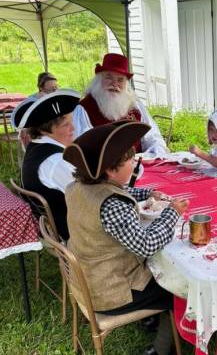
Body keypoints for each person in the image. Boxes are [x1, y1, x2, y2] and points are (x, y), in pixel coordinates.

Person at [63, 120, 189, 355]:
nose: (134, 163)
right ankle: (161, 350)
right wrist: (172, 213)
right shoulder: (112, 206)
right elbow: (146, 245)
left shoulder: (77, 186)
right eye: (130, 160)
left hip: (85, 278)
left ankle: (150, 320)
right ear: (111, 169)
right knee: (175, 285)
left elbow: (113, 190)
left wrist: (147, 192)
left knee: (164, 275)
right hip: (108, 291)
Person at [72, 53, 168, 155]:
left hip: (139, 166)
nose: (114, 84)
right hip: (102, 169)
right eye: (109, 77)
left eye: (120, 80)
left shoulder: (135, 106)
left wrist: (154, 153)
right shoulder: (84, 109)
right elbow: (82, 149)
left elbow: (153, 137)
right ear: (99, 79)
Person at [18, 89, 80, 240]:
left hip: (54, 224)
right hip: (71, 230)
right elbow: (88, 195)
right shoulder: (55, 161)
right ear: (46, 130)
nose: (73, 128)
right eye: (66, 125)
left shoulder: (36, 147)